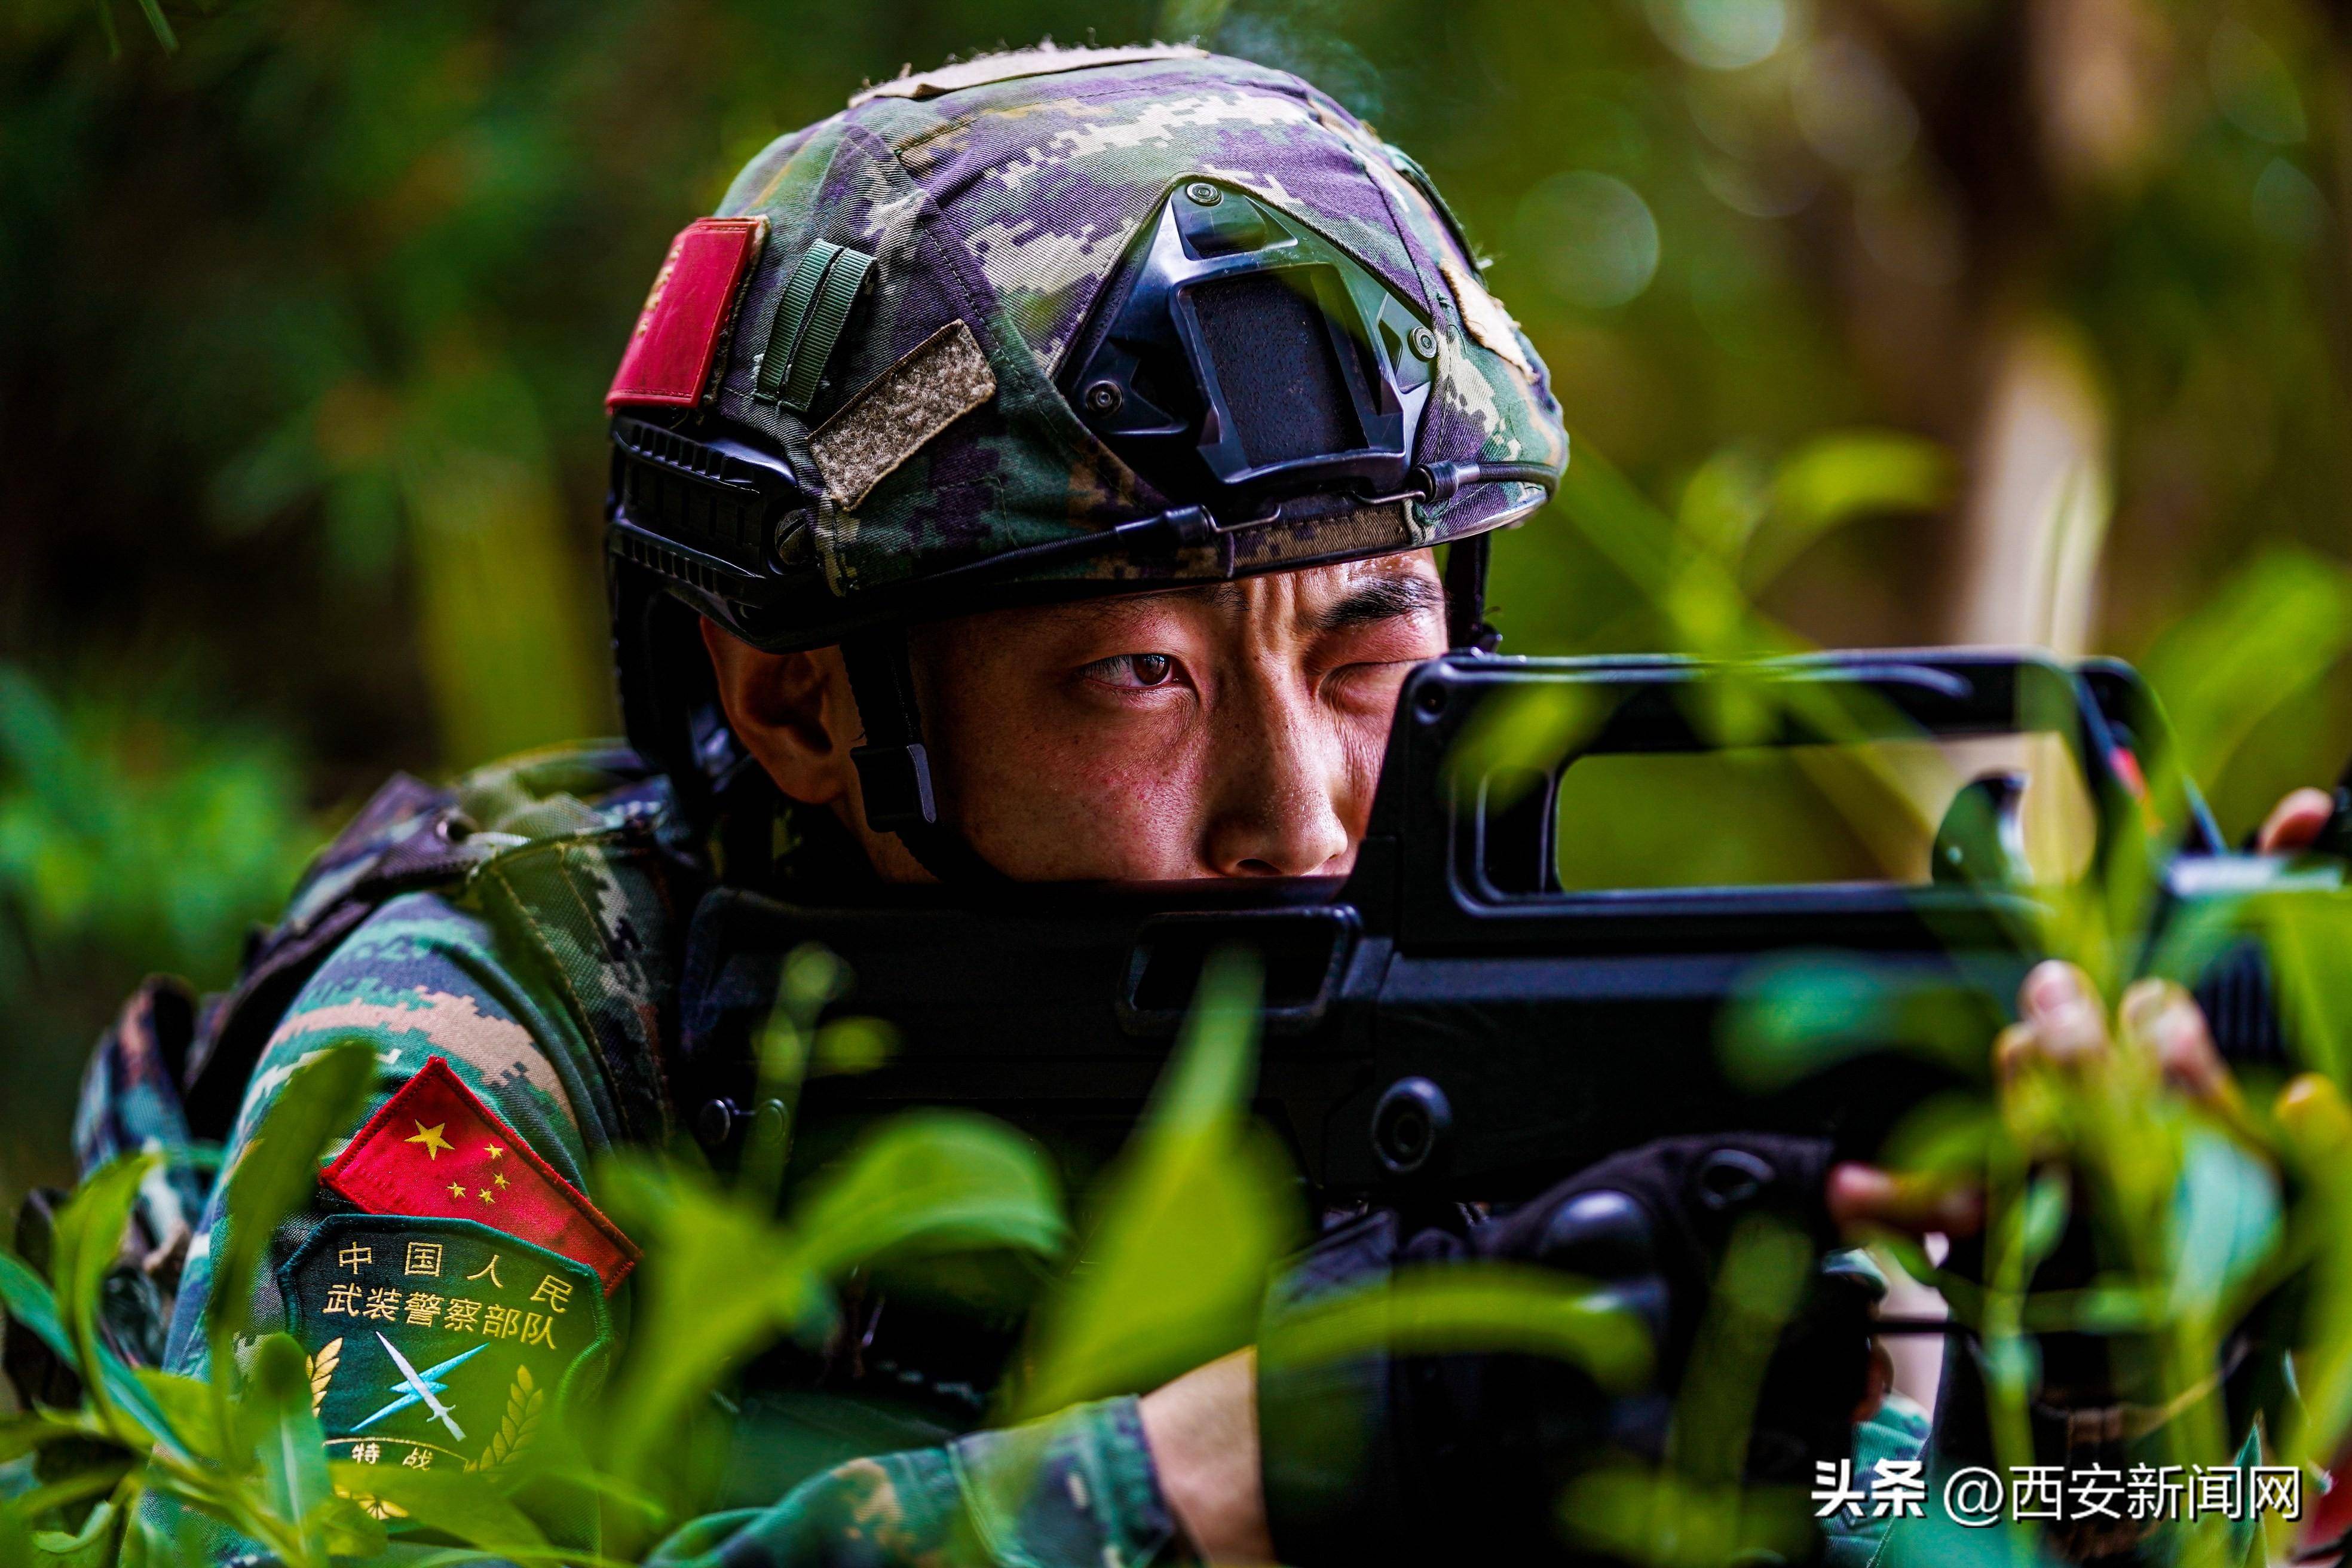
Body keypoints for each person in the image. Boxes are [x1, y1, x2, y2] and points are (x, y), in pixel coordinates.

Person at [27, 42, 2335, 1568]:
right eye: (1138, 668)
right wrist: (1267, 1460)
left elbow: (1893, 1512)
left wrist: (2118, 1427)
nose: (1303, 805)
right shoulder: (515, 1023)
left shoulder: (1503, 1017)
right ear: (802, 703)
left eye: (1369, 643)